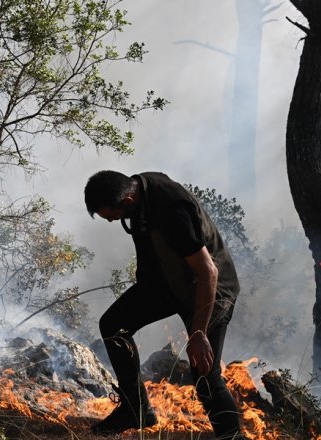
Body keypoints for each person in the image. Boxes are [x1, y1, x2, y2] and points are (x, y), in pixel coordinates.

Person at [84, 170, 242, 438]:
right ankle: (135, 410)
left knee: (204, 373)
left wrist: (199, 333)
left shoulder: (171, 210)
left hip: (209, 289)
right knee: (114, 325)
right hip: (168, 284)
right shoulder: (137, 194)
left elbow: (208, 272)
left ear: (128, 199)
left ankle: (232, 436)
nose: (112, 221)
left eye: (112, 215)